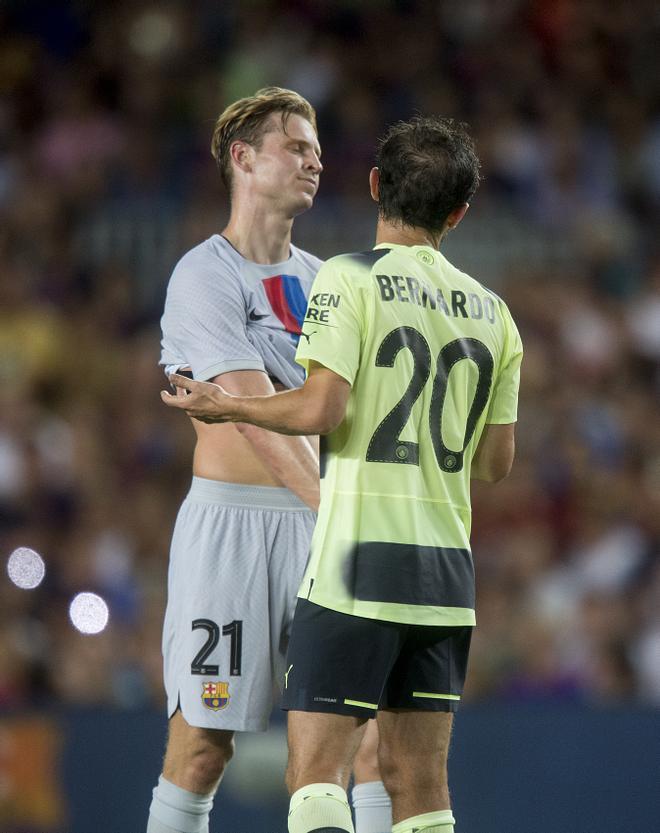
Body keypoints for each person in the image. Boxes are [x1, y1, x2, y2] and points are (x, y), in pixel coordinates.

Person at [162, 115, 523, 833]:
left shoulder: (347, 278)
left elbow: (323, 408)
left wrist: (228, 404)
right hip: (447, 577)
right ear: (459, 212)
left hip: (355, 561)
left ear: (373, 185)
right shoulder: (496, 313)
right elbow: (495, 462)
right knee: (421, 784)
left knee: (315, 774)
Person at [150, 87, 391, 833]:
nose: (315, 158)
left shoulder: (331, 282)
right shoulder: (203, 274)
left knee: (374, 741)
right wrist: (332, 509)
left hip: (322, 517)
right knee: (202, 749)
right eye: (297, 144)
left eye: (318, 148)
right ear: (244, 158)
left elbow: (347, 414)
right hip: (233, 529)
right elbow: (251, 413)